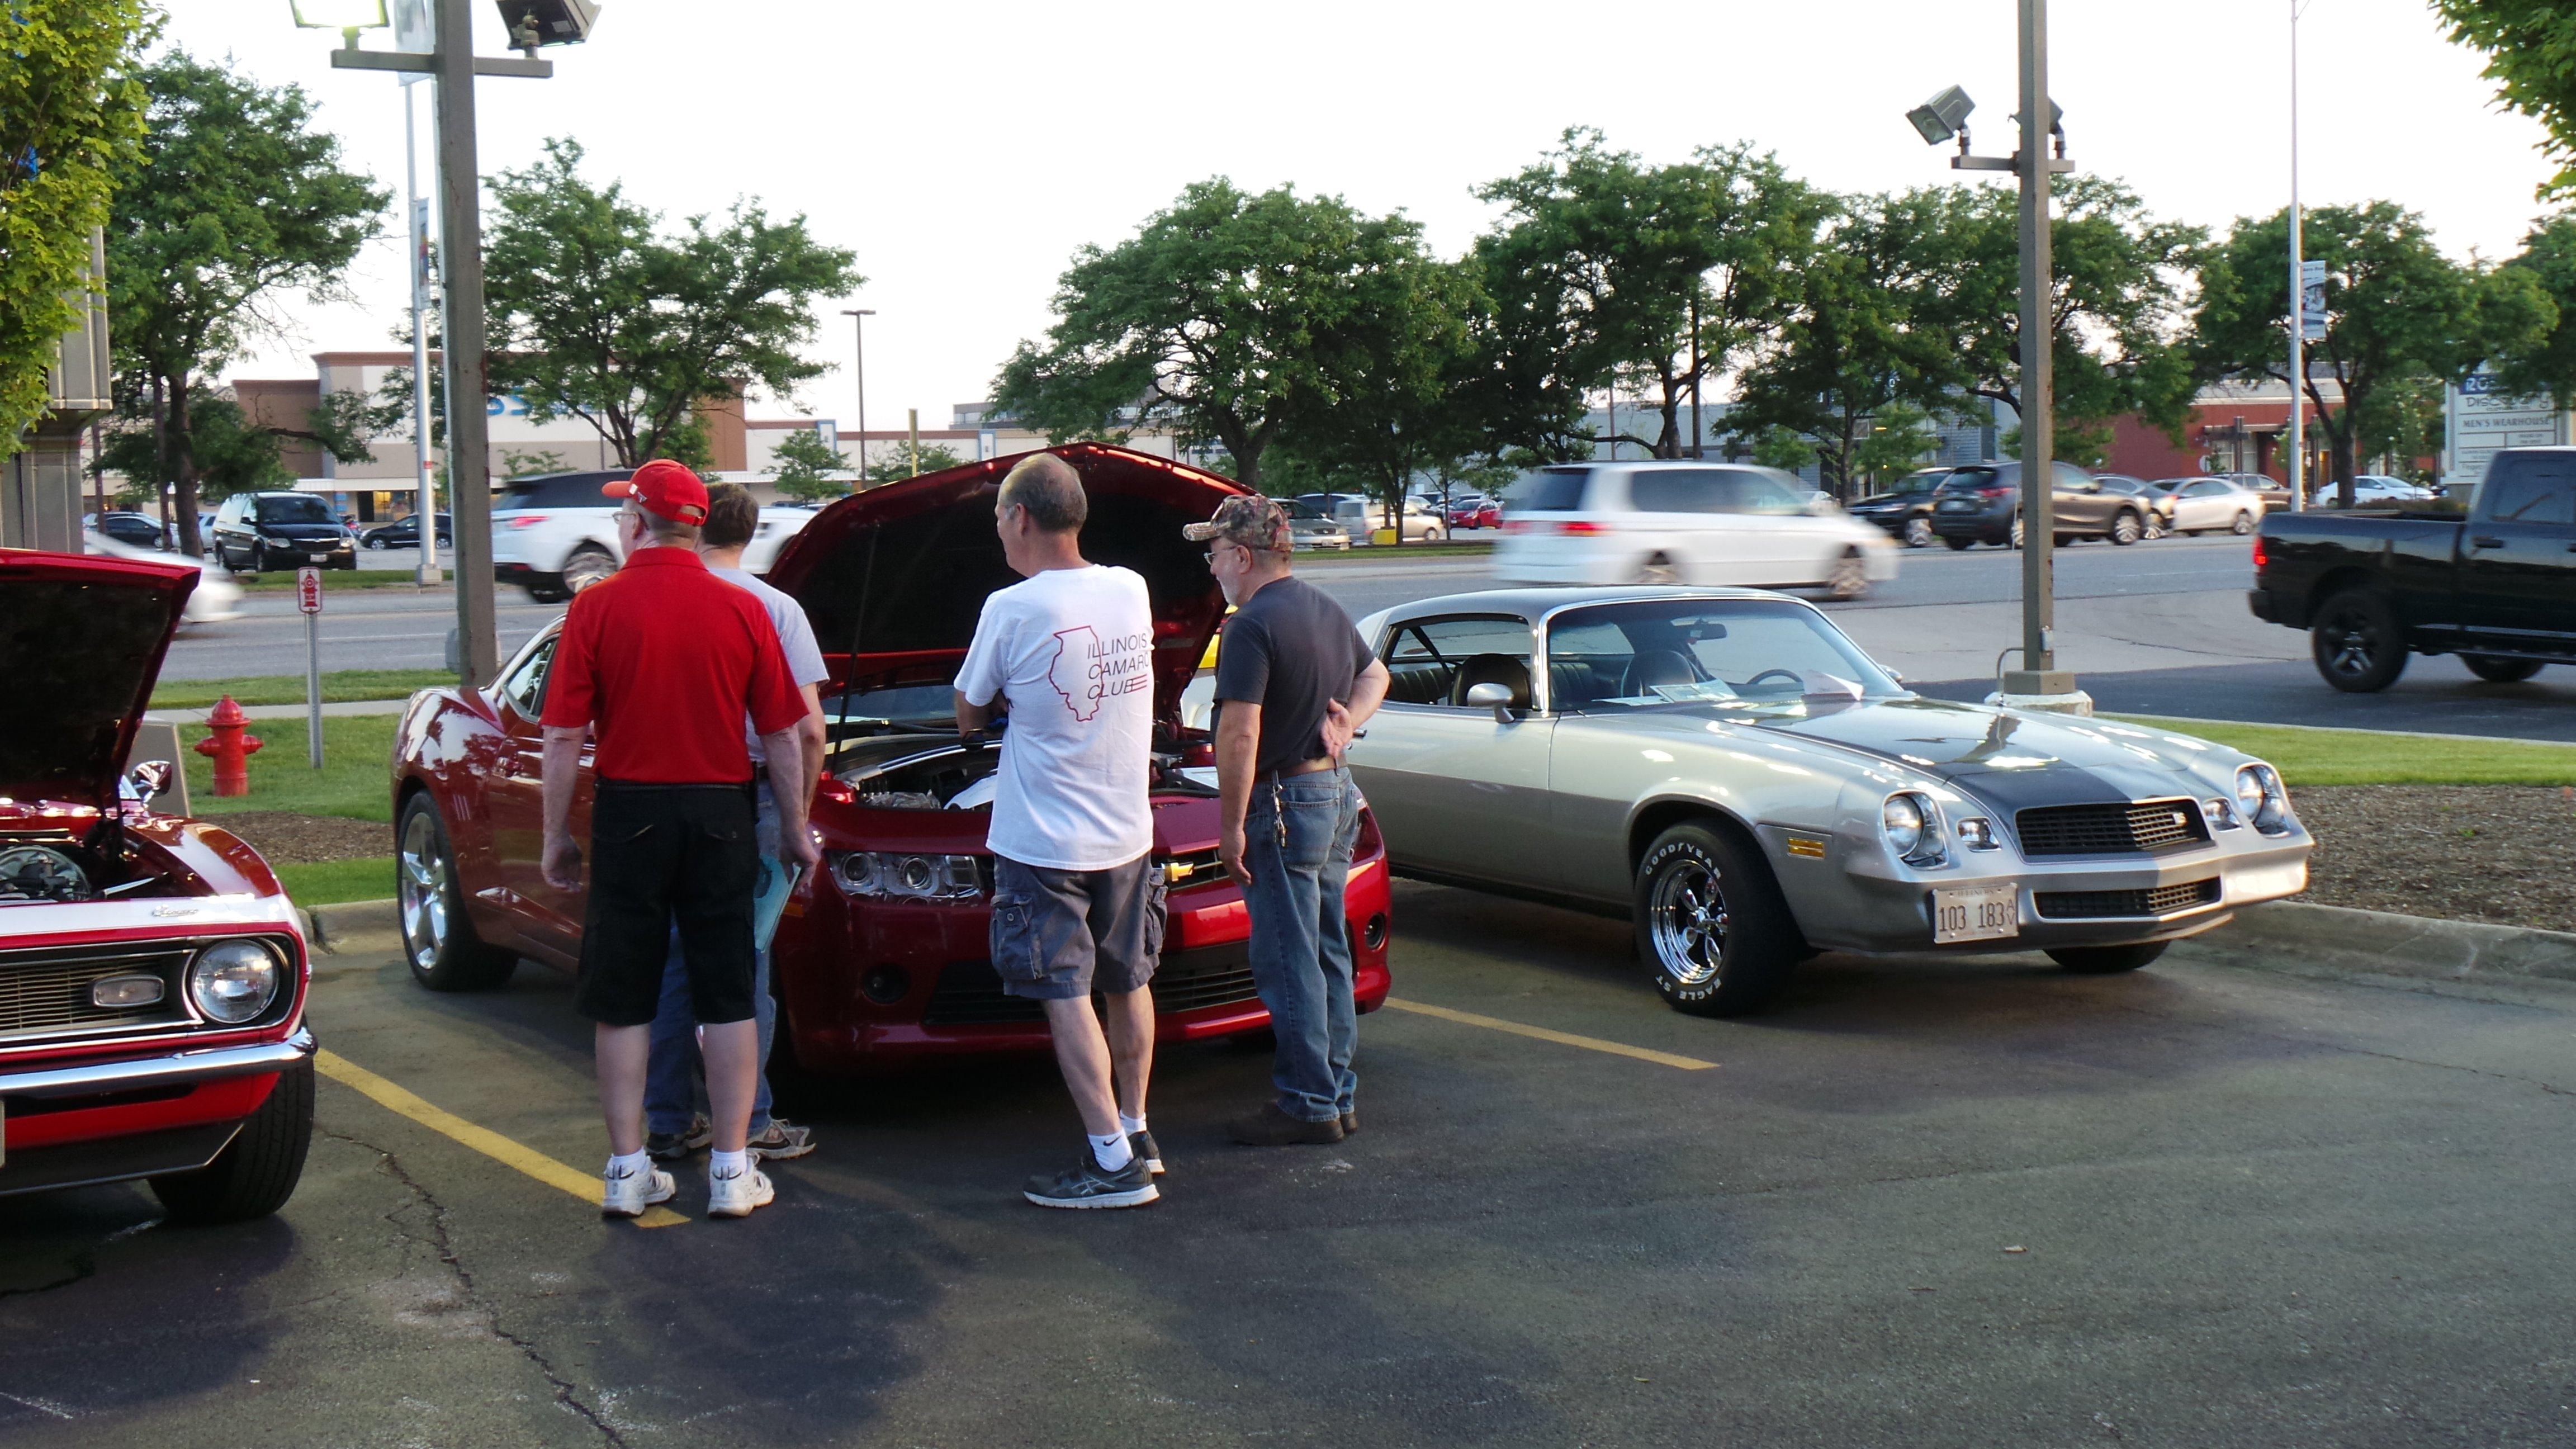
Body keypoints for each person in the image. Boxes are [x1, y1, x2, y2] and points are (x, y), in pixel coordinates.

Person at [539, 459, 820, 1220]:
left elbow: (563, 735)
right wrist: (793, 827)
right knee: (728, 992)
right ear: (697, 523)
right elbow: (787, 735)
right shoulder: (743, 608)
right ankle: (732, 1169)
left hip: (630, 811)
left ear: (637, 519)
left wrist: (555, 837)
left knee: (624, 997)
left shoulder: (596, 607)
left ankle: (628, 1168)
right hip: (719, 812)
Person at [955, 453, 1164, 1210]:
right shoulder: (1131, 588)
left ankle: (1110, 1165)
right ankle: (1136, 1130)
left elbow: (969, 709)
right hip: (1128, 831)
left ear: (1021, 519)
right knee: (1127, 977)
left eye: (999, 521)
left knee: (1063, 989)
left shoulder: (1011, 608)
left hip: (1046, 843)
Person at [1187, 496, 1389, 1146]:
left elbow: (1240, 732)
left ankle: (1307, 1104)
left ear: (1243, 556)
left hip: (1280, 803)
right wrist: (1347, 721)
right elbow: (1377, 673)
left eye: (1215, 552)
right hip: (1333, 793)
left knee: (1286, 956)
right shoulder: (1323, 608)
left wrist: (1229, 825)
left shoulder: (1249, 626)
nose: (1211, 565)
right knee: (1329, 948)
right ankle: (1335, 1091)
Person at [642, 482, 830, 1167]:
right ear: (749, 533)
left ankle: (666, 1119)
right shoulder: (773, 607)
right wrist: (796, 819)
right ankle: (749, 1120)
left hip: (661, 799)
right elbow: (807, 731)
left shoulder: (658, 599)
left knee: (669, 961)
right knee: (741, 960)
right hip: (746, 803)